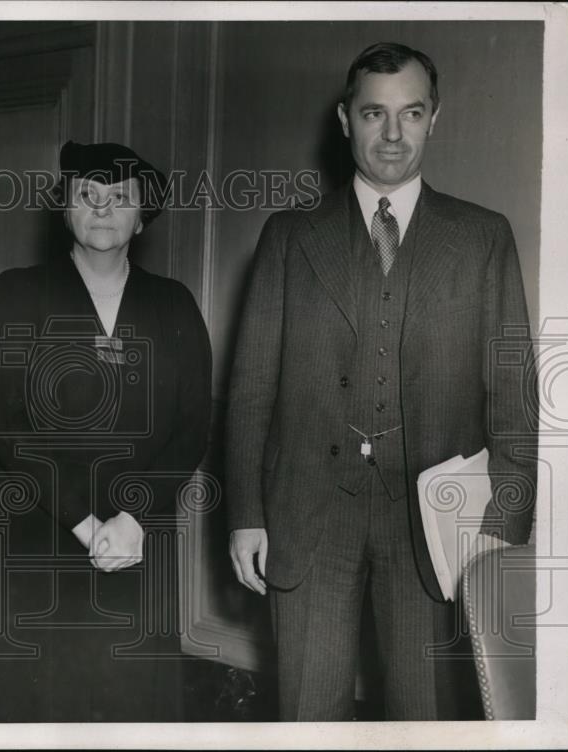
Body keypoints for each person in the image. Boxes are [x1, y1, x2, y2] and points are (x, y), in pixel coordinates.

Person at [225, 43, 537, 721]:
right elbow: (251, 388)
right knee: (307, 717)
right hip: (308, 517)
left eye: (411, 113)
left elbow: (513, 398)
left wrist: (501, 528)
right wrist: (246, 512)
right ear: (345, 120)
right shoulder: (288, 237)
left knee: (424, 723)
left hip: (435, 526)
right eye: (374, 113)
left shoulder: (484, 239)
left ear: (435, 119)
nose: (393, 134)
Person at [0, 141, 212, 722]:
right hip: (37, 533)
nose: (103, 208)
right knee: (35, 705)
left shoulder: (173, 302)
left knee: (128, 705)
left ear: (142, 217)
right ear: (64, 208)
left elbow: (192, 428)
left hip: (137, 539)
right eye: (88, 195)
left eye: (120, 197)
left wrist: (131, 518)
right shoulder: (20, 291)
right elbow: (4, 423)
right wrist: (83, 518)